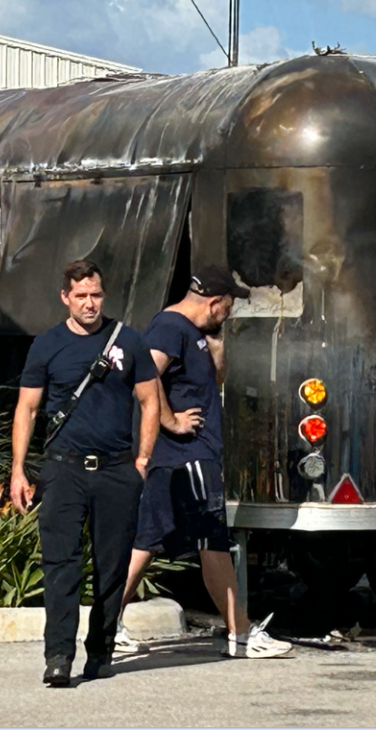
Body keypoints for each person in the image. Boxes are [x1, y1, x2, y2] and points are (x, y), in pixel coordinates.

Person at [10, 260, 166, 687]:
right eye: (80, 296)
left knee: (112, 567)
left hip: (117, 471)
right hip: (63, 470)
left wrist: (142, 460)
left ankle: (100, 651)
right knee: (61, 565)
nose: (89, 303)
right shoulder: (47, 345)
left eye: (95, 295)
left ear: (103, 295)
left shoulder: (128, 341)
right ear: (66, 298)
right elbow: (27, 409)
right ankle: (58, 656)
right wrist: (19, 470)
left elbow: (151, 401)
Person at [122, 266, 292, 658]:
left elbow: (210, 382)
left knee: (147, 541)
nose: (232, 312)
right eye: (231, 304)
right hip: (188, 456)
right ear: (215, 302)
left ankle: (105, 624)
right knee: (212, 542)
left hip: (187, 456)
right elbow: (144, 376)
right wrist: (170, 420)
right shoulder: (170, 327)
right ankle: (242, 635)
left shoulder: (197, 334)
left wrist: (218, 356)